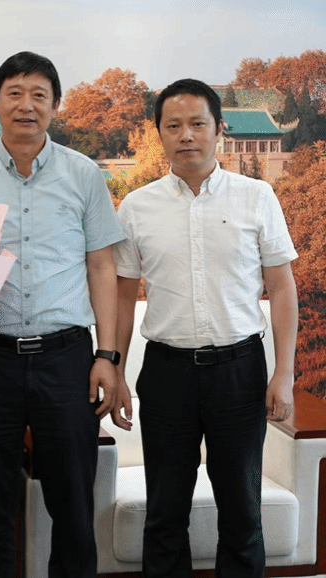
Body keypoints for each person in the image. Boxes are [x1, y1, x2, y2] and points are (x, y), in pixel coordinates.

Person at [0, 51, 126, 578]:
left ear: (55, 106)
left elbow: (102, 266)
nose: (27, 105)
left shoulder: (83, 173)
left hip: (66, 359)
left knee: (73, 503)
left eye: (39, 95)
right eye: (15, 94)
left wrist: (108, 356)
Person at [113, 78, 298, 577]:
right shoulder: (137, 206)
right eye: (173, 125)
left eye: (198, 123)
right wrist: (115, 370)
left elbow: (281, 289)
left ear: (219, 129)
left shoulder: (256, 197)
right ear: (159, 133)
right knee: (164, 512)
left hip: (239, 372)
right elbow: (123, 297)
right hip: (166, 373)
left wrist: (284, 374)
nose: (186, 135)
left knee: (242, 513)